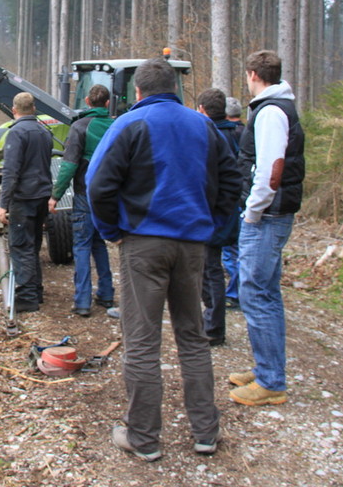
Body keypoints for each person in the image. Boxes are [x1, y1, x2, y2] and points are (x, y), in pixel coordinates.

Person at [87, 58, 241, 461]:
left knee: (142, 340)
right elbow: (232, 180)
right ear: (175, 88)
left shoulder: (129, 124)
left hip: (144, 244)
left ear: (137, 91)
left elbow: (97, 184)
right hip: (192, 245)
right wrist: (214, 228)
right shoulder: (204, 125)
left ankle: (143, 437)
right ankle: (205, 432)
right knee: (193, 337)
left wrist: (110, 230)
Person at [229, 50, 305, 407]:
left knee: (256, 294)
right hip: (272, 213)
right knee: (266, 293)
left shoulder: (271, 111)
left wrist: (252, 212)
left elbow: (270, 169)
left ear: (253, 75)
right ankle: (266, 368)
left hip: (266, 216)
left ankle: (271, 382)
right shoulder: (275, 107)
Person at [48, 84, 115, 317]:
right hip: (109, 197)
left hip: (85, 195)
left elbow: (68, 165)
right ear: (108, 103)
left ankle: (83, 301)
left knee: (82, 246)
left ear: (87, 101)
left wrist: (55, 196)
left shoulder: (79, 127)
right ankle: (106, 294)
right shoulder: (117, 125)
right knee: (99, 243)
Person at [0, 92, 54, 313]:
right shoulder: (44, 132)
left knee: (21, 246)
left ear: (14, 110)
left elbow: (10, 172)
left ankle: (27, 297)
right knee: (34, 244)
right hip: (42, 196)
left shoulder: (16, 133)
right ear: (34, 109)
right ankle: (36, 291)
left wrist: (3, 204)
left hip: (24, 198)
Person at [196, 88, 242, 346]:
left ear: (202, 109)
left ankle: (213, 328)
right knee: (211, 267)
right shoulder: (231, 133)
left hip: (215, 216)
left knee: (211, 270)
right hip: (223, 213)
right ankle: (211, 322)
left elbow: (226, 181)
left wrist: (216, 214)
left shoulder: (213, 136)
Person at [223, 97, 246, 309]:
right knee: (237, 249)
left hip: (233, 199)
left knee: (231, 251)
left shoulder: (225, 134)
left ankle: (236, 293)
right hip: (244, 197)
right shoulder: (246, 132)